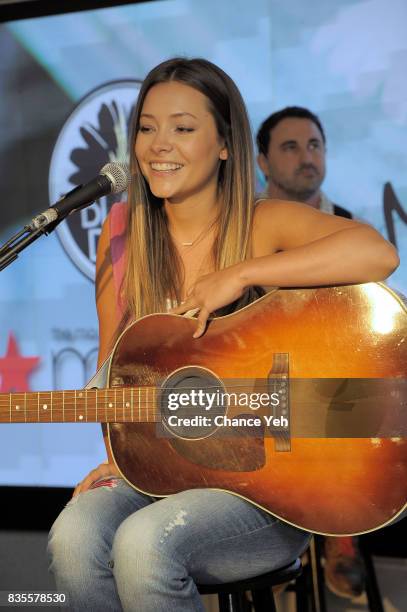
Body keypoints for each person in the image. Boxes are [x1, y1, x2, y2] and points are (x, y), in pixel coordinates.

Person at [47, 59, 399, 612]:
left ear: (226, 145)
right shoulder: (121, 239)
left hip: (269, 489)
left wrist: (238, 273)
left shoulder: (262, 224)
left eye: (183, 128)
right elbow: (116, 368)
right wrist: (119, 453)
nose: (159, 145)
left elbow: (378, 253)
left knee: (144, 545)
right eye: (147, 127)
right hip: (165, 466)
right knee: (74, 535)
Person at [256, 106, 364, 599]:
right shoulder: (246, 231)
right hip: (259, 385)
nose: (307, 158)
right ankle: (282, 532)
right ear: (262, 162)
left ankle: (335, 530)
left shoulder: (350, 229)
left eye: (315, 145)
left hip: (331, 385)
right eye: (291, 147)